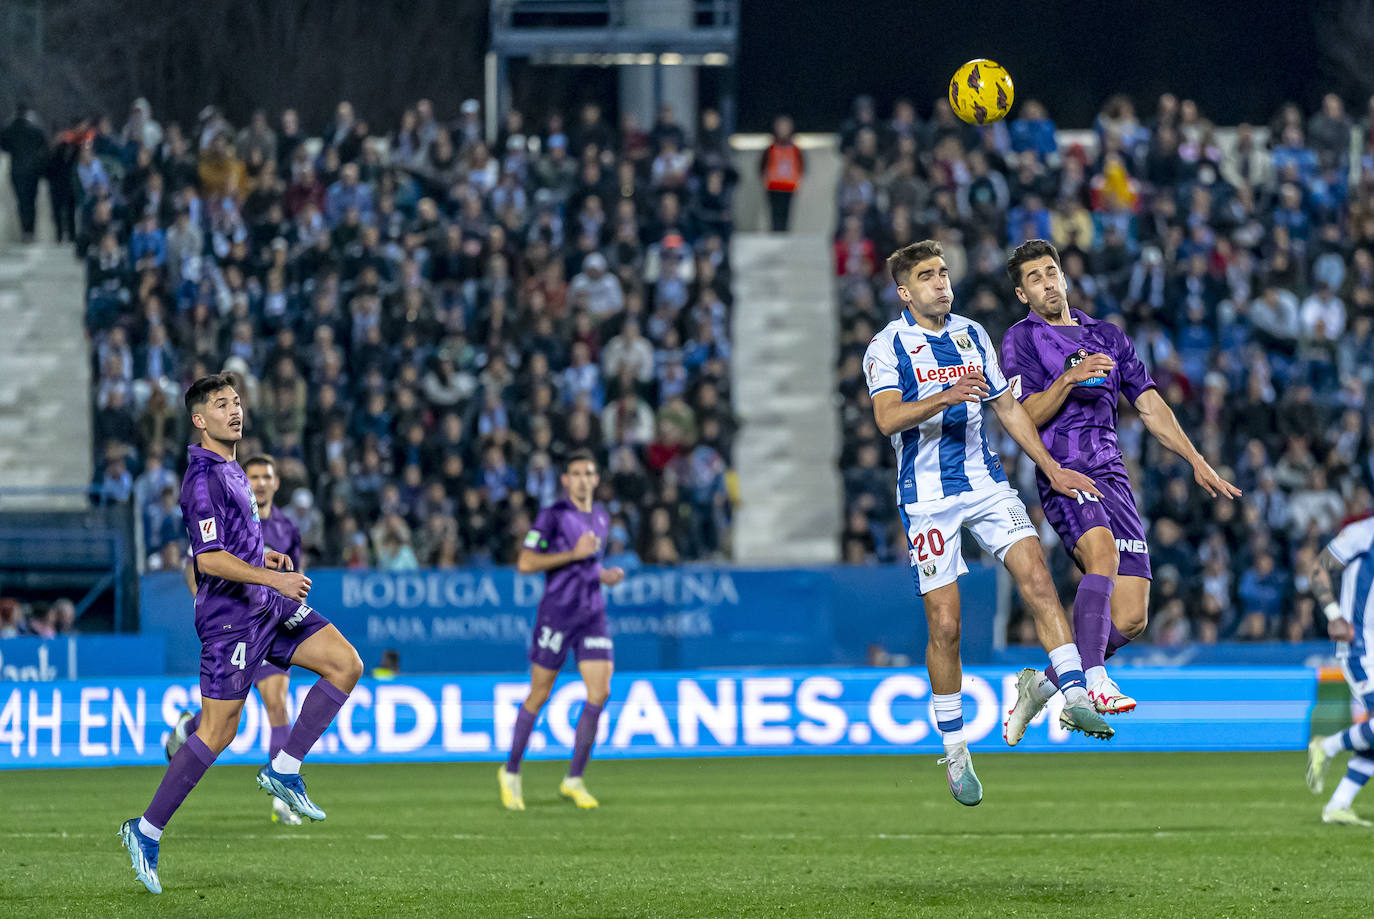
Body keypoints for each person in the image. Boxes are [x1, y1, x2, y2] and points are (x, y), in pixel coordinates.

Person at [863, 240, 1113, 807]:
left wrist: (1054, 468)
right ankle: (955, 752)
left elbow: (1008, 410)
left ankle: (1073, 690)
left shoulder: (973, 335)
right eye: (927, 276)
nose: (940, 283)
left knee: (1037, 577)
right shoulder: (886, 347)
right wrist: (944, 396)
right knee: (946, 627)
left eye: (944, 272)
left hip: (985, 483)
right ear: (905, 291)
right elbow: (885, 419)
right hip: (926, 499)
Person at [120, 374, 363, 894]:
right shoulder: (203, 478)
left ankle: (285, 768)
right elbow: (207, 557)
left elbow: (236, 545)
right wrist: (274, 575)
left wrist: (265, 558)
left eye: (236, 402)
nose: (235, 411)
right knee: (218, 731)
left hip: (264, 606)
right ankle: (144, 831)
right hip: (230, 618)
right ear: (198, 419)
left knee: (346, 664)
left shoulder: (231, 470)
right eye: (221, 404)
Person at [999, 239, 1240, 741]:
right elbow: (1020, 419)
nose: (1047, 283)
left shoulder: (1107, 335)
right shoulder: (1021, 341)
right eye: (1035, 279)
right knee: (1101, 554)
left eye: (1051, 272)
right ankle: (1093, 683)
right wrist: (1067, 378)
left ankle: (1041, 687)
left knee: (1131, 618)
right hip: (1065, 471)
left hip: (1114, 477)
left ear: (1063, 276)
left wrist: (1196, 460)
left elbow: (1150, 406)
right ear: (1022, 294)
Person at [167, 453, 306, 826]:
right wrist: (207, 602)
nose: (260, 482)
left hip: (271, 621)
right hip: (234, 624)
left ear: (276, 483)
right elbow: (196, 562)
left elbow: (293, 571)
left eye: (267, 476)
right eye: (255, 475)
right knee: (225, 718)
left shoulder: (288, 529)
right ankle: (188, 728)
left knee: (277, 705)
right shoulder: (230, 508)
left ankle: (281, 798)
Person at [497, 450, 625, 811]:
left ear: (596, 479)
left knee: (600, 691)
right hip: (557, 614)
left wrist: (604, 575)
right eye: (576, 473)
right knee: (539, 693)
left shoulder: (601, 517)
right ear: (566, 479)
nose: (584, 479)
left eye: (590, 472)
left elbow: (587, 566)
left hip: (592, 613)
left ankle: (574, 779)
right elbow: (525, 563)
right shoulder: (553, 516)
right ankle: (510, 772)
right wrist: (572, 554)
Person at [1304, 516, 1374, 825]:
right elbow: (1318, 567)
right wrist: (1333, 614)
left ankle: (1338, 804)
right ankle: (1327, 745)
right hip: (1361, 645)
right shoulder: (1363, 533)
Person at [0, 103, 47, 242]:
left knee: (22, 201)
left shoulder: (9, 129)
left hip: (17, 170)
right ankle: (30, 230)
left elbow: (3, 145)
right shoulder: (35, 130)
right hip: (33, 170)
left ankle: (25, 230)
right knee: (32, 201)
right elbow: (42, 144)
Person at [759, 115, 803, 232]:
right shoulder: (770, 148)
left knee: (786, 214)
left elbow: (801, 167)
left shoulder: (795, 148)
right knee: (774, 214)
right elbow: (762, 166)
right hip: (773, 186)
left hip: (789, 186)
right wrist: (763, 179)